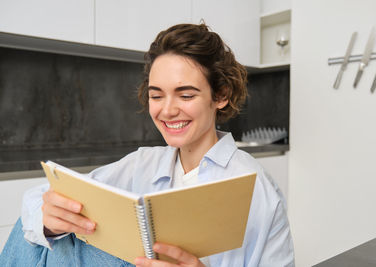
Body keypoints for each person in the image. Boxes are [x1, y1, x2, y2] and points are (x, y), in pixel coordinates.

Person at [0, 23, 295, 267]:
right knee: (44, 229)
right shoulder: (143, 163)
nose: (167, 111)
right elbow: (43, 199)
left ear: (220, 95)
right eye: (156, 95)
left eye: (186, 95)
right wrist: (51, 219)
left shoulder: (257, 189)